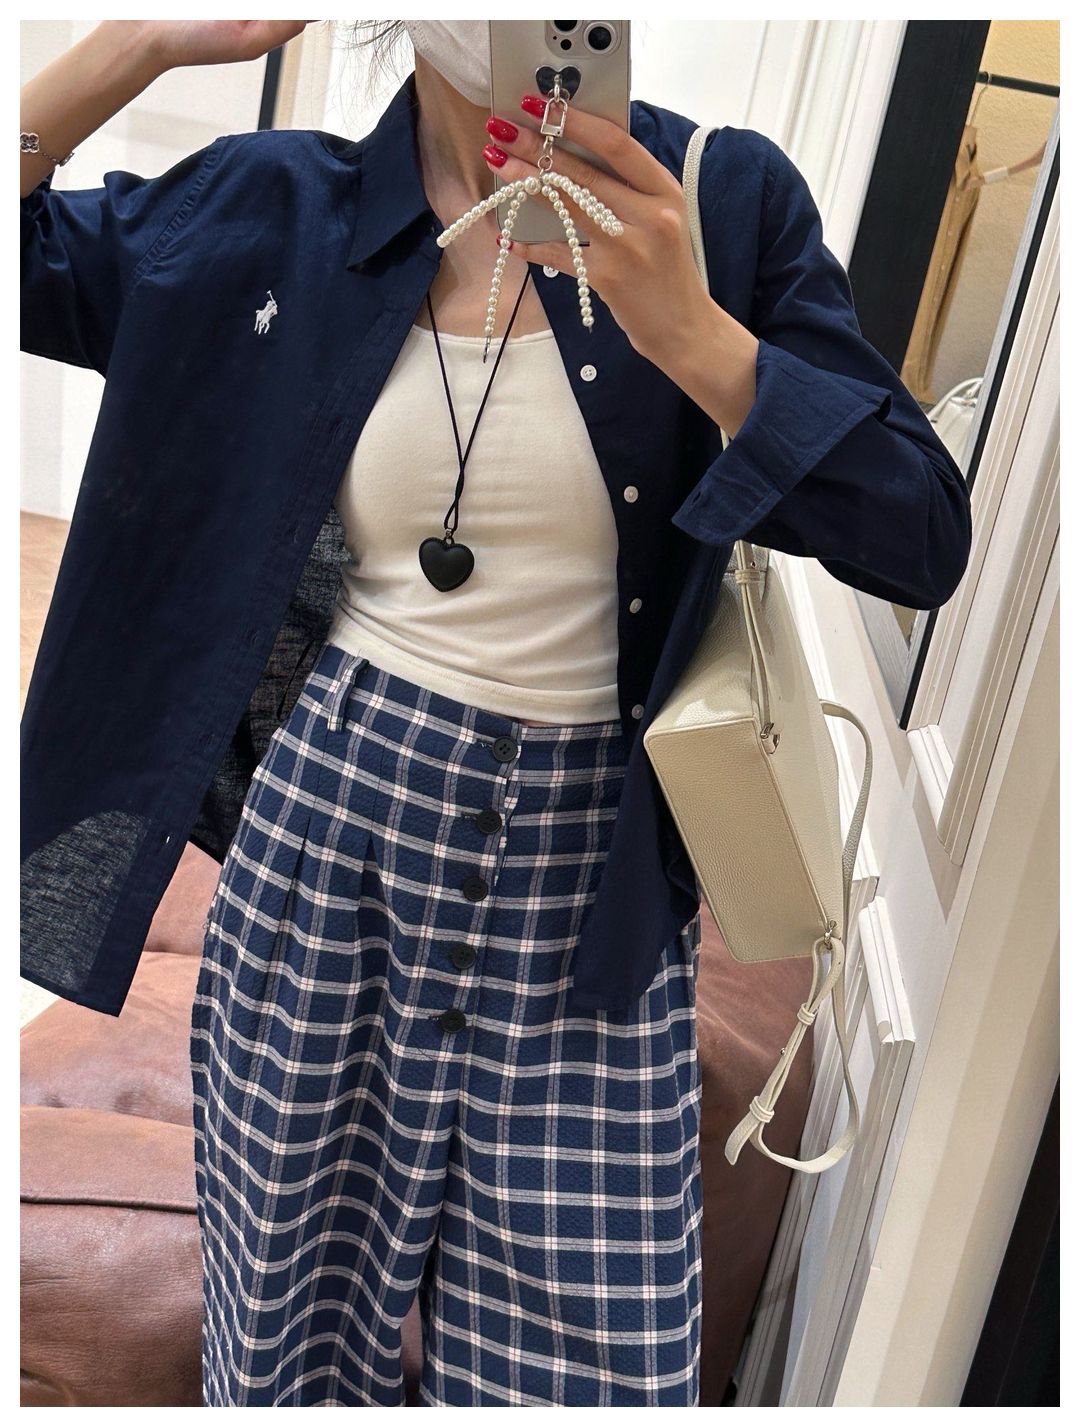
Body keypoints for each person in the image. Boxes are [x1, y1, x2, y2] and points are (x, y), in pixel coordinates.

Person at [20, 19, 972, 1409]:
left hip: (587, 895)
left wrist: (700, 340)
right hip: (322, 853)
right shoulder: (280, 210)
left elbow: (923, 535)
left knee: (589, 1376)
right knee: (283, 1353)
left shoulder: (718, 202)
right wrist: (138, 44)